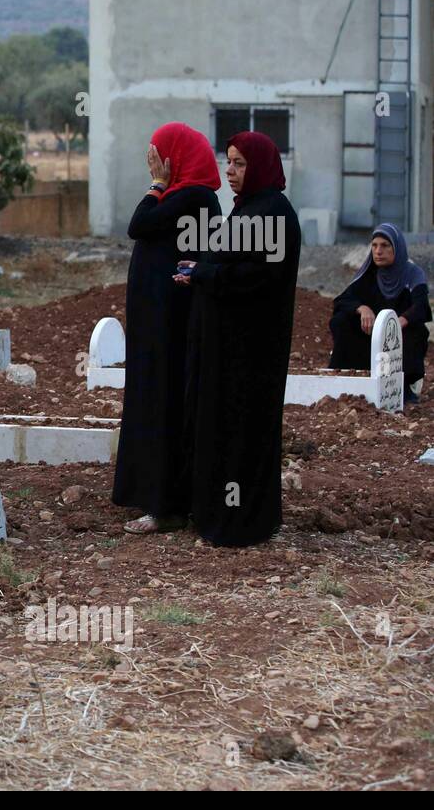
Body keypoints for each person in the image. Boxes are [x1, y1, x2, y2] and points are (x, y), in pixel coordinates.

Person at [174, 131, 301, 547]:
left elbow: (258, 277)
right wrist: (200, 266)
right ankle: (219, 512)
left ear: (260, 166)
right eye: (227, 162)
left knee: (242, 431)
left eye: (240, 163)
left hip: (251, 352)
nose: (229, 171)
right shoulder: (248, 209)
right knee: (222, 427)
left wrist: (205, 274)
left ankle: (240, 521)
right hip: (229, 349)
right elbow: (230, 261)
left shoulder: (274, 213)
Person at [112, 122, 222, 534]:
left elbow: (138, 225)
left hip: (168, 323)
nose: (154, 163)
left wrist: (156, 185)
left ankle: (165, 505)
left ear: (178, 158)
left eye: (161, 156)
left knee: (163, 401)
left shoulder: (193, 197)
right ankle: (151, 496)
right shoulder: (189, 197)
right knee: (152, 398)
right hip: (157, 320)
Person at [328, 223, 430, 403]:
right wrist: (362, 309)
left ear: (396, 248)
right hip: (371, 336)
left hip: (399, 336)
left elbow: (421, 306)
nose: (378, 251)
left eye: (385, 245)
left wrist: (397, 323)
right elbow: (342, 300)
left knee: (418, 330)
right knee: (341, 320)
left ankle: (403, 387)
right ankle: (348, 378)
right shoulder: (369, 275)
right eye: (374, 246)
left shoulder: (413, 274)